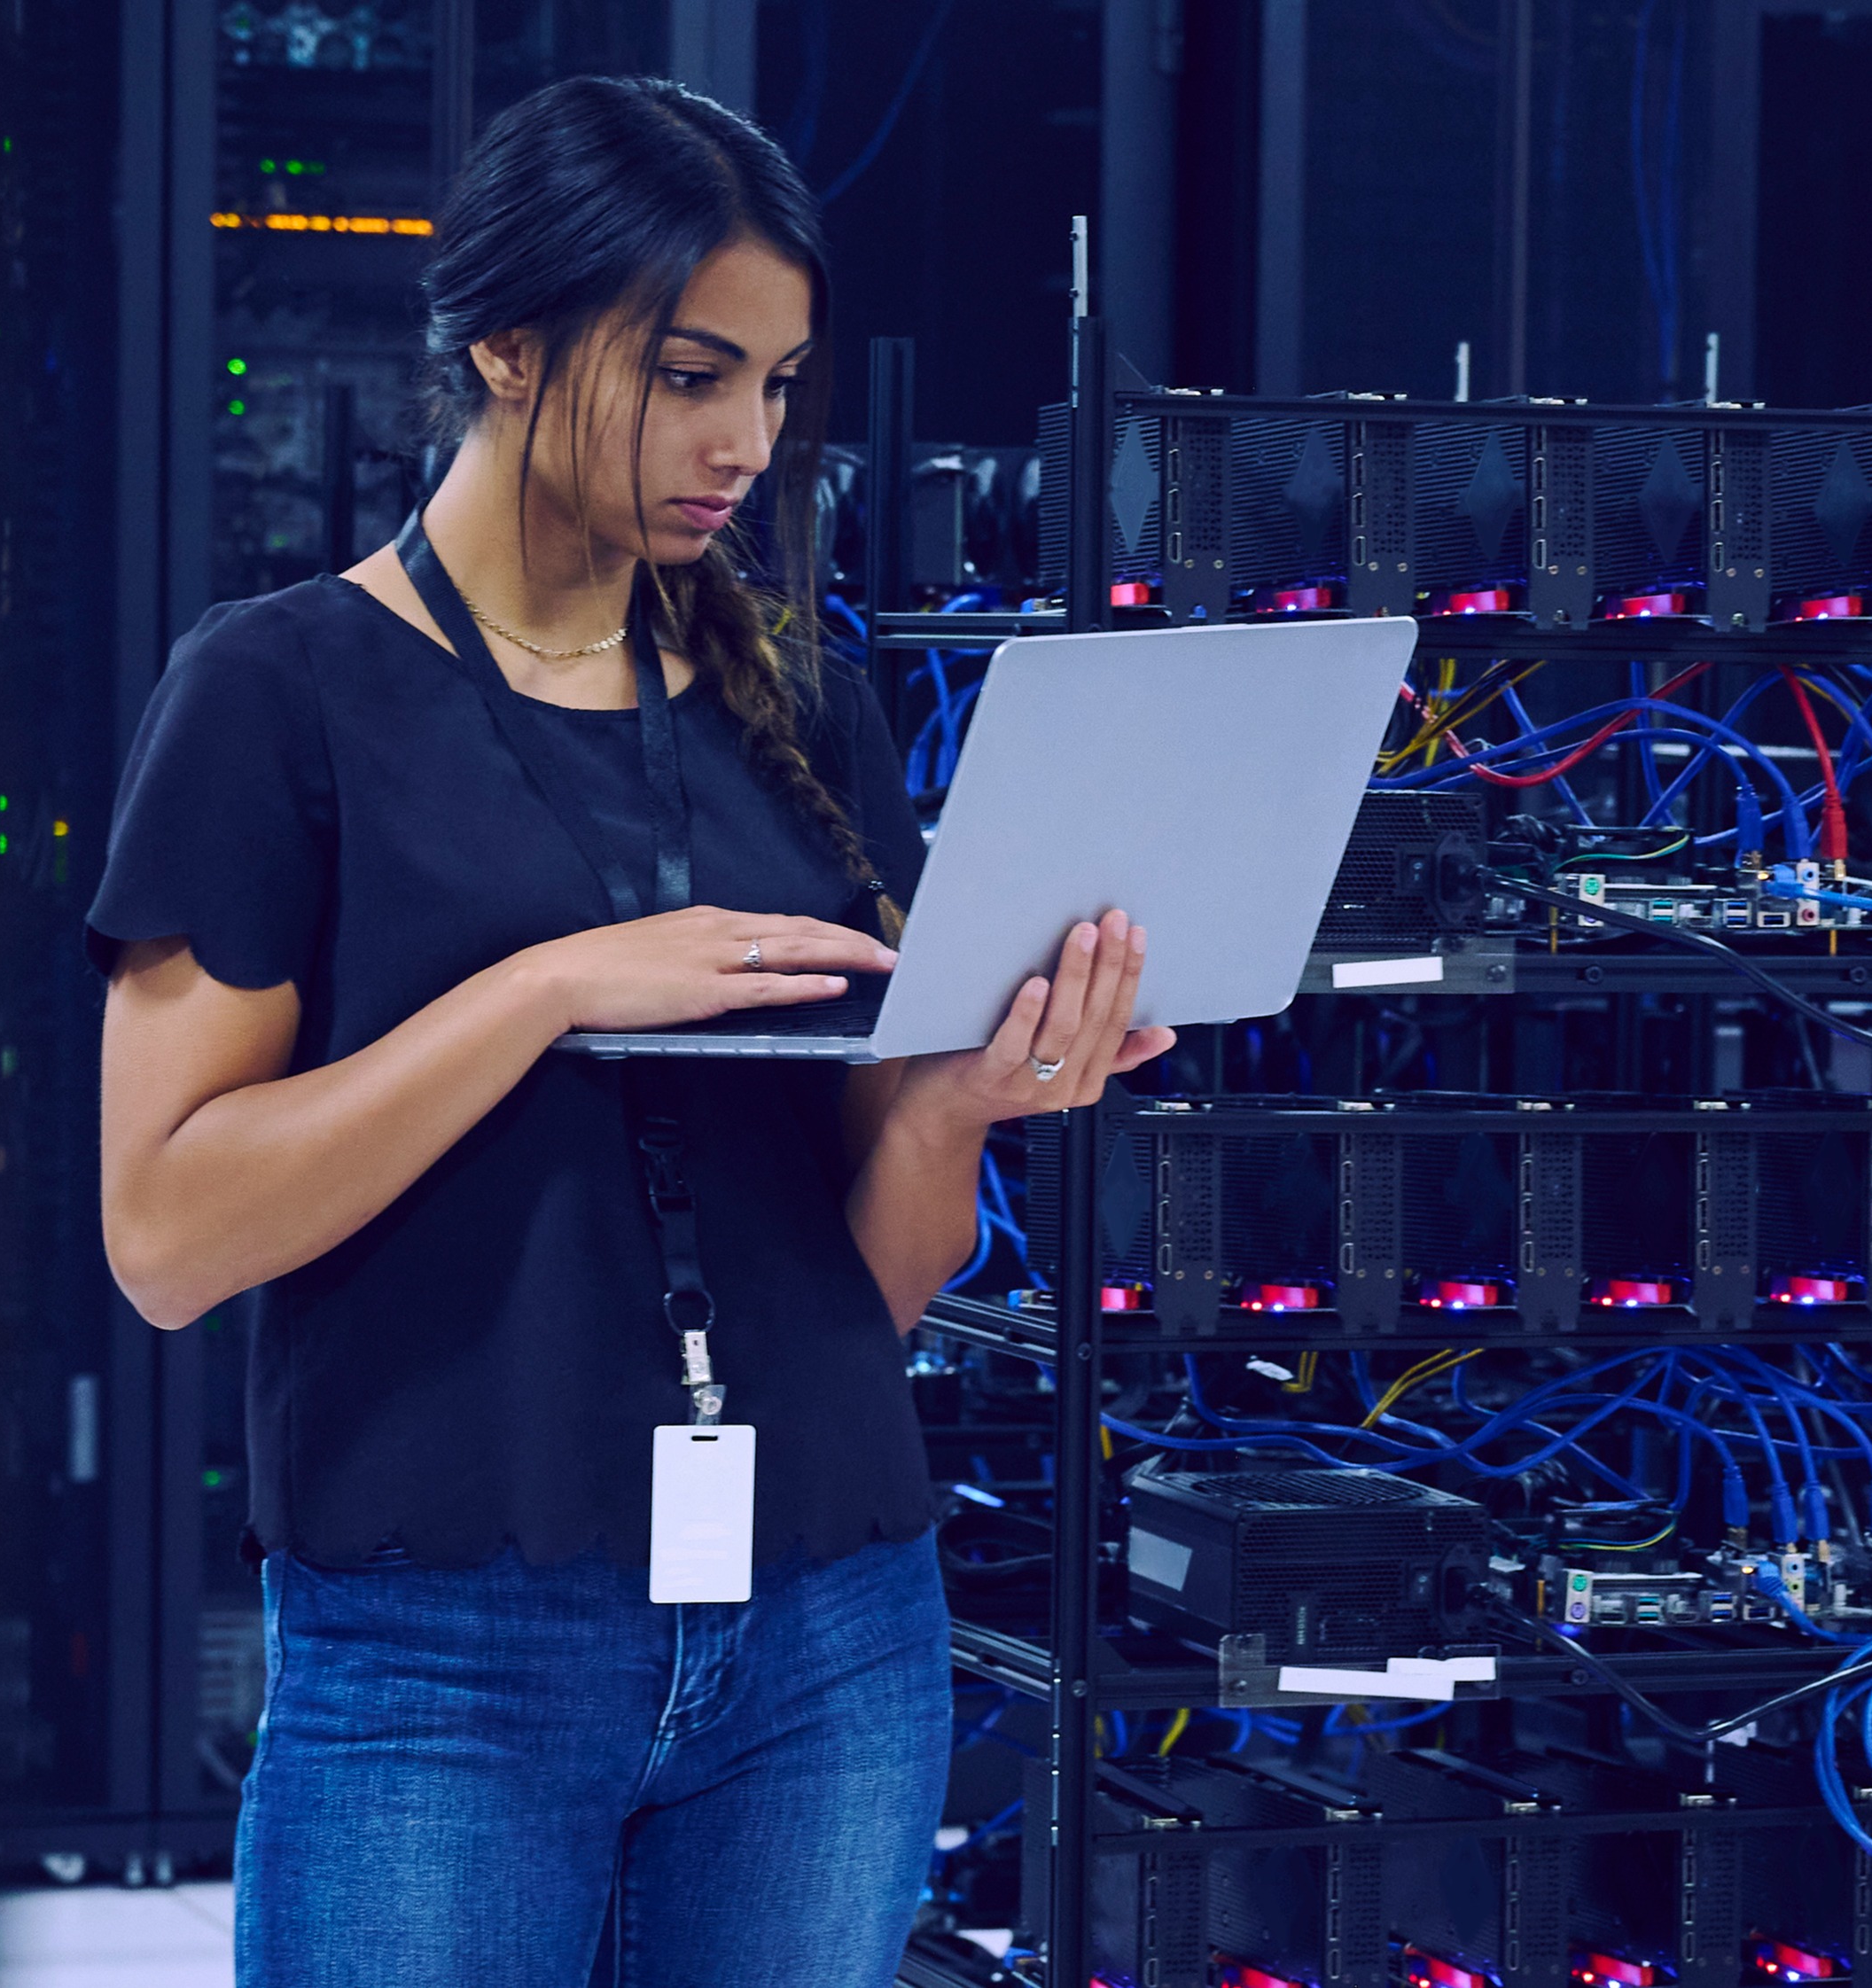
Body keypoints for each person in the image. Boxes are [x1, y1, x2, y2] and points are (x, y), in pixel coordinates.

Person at [90, 73, 1170, 1988]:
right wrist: (548, 989)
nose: (745, 441)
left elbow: (872, 1288)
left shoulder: (805, 712)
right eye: (689, 376)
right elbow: (167, 1236)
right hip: (444, 1648)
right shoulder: (277, 692)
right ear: (506, 346)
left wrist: (959, 1109)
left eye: (777, 384)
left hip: (829, 1628)